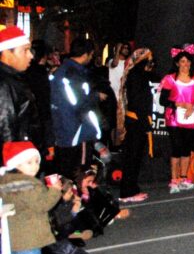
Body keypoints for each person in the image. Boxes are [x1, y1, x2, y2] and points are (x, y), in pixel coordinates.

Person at [0, 141, 60, 254]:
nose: (35, 166)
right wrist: (54, 190)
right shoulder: (29, 184)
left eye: (36, 161)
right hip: (28, 235)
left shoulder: (5, 182)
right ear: (16, 164)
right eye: (29, 162)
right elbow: (42, 205)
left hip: (11, 235)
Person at [50, 38, 108, 177]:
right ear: (86, 54)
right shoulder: (73, 73)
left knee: (66, 172)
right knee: (79, 173)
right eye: (91, 55)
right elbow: (78, 101)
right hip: (76, 130)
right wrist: (96, 96)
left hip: (63, 128)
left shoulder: (63, 70)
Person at [159, 44, 194, 193]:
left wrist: (192, 106)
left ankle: (184, 178)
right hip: (173, 117)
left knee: (187, 148)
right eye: (182, 61)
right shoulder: (170, 79)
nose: (185, 64)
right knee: (176, 147)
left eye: (188, 61)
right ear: (176, 63)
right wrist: (177, 104)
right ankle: (174, 180)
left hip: (190, 117)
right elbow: (163, 100)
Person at [117, 48, 157, 202]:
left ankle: (132, 187)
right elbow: (136, 100)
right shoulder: (135, 76)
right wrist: (143, 121)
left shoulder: (141, 75)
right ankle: (126, 192)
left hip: (139, 120)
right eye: (148, 59)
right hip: (136, 121)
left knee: (136, 156)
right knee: (132, 156)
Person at [0, 26, 40, 147]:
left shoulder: (14, 79)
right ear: (7, 53)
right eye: (25, 50)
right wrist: (17, 160)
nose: (31, 56)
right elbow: (5, 128)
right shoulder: (4, 84)